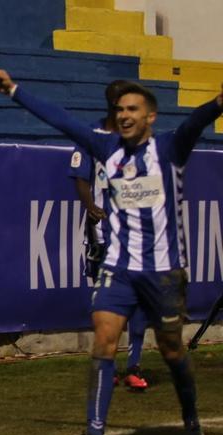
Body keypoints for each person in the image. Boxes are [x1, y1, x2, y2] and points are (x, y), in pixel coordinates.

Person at [0, 69, 222, 435]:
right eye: (119, 109)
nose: (124, 115)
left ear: (150, 117)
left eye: (133, 109)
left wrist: (217, 104)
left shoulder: (169, 149)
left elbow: (196, 121)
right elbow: (61, 119)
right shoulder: (106, 148)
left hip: (163, 272)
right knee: (103, 340)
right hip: (117, 267)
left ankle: (191, 418)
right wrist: (15, 90)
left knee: (171, 352)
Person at [70, 80, 149, 392]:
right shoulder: (94, 137)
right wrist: (91, 206)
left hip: (137, 233)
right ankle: (110, 366)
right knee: (109, 305)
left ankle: (135, 364)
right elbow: (80, 176)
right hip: (106, 234)